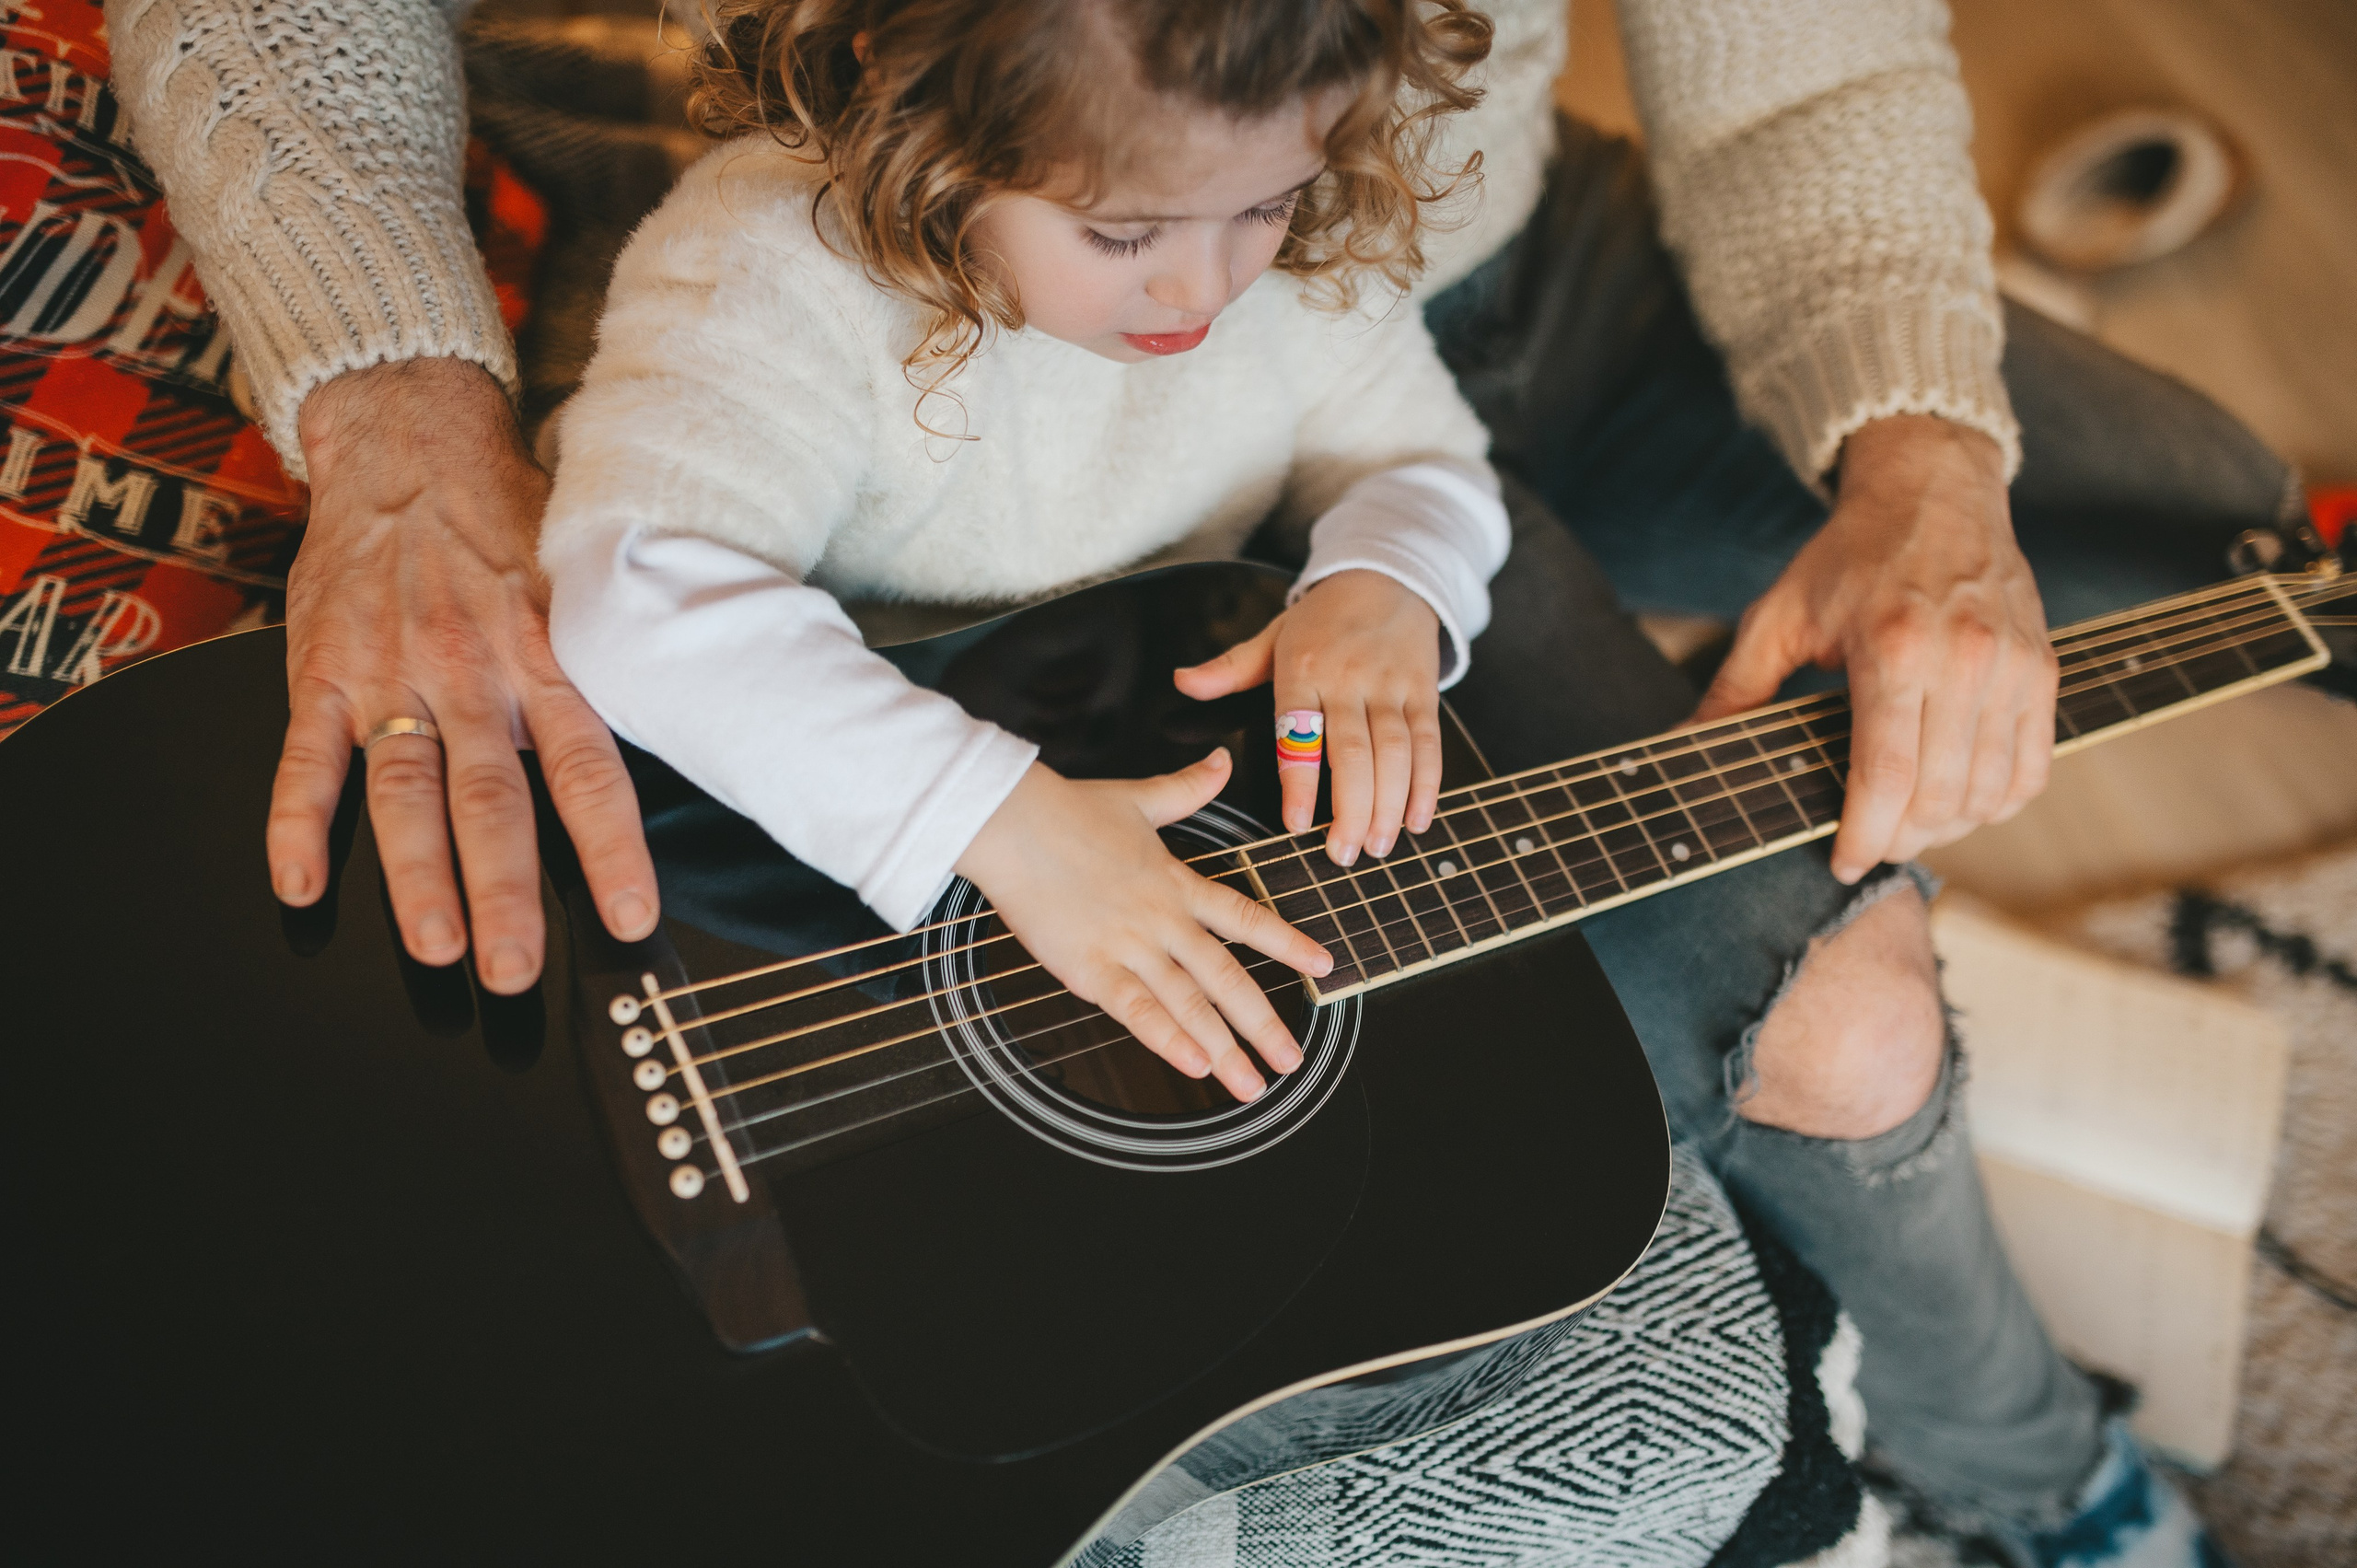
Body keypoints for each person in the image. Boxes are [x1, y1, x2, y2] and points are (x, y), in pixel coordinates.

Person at [93, 2, 2289, 1562]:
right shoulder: (772, 273)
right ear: (908, 115)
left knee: (2189, 513)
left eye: (1259, 214)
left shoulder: (1273, 229)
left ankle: (1982, 1435)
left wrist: (1378, 592)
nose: (1204, 289)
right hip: (906, 818)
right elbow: (634, 590)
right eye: (1128, 236)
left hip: (1176, 680)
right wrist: (988, 824)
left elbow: (1416, 450)